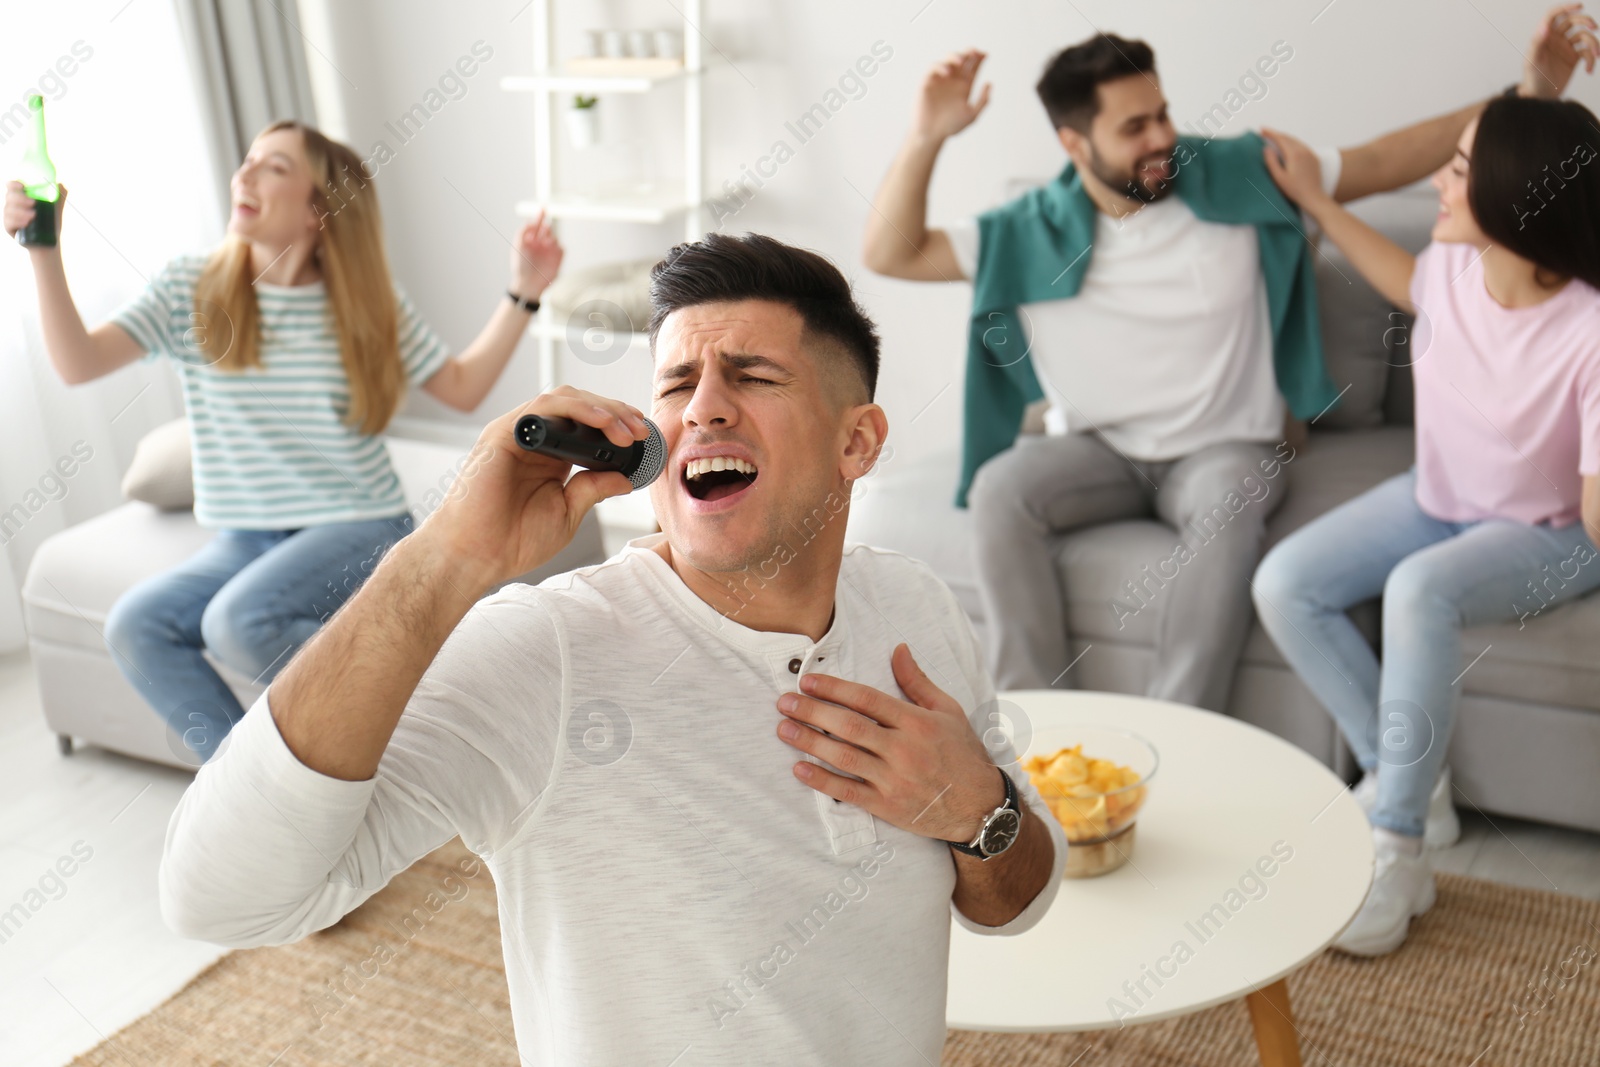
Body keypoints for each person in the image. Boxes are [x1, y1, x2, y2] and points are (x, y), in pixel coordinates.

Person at [155, 232, 1068, 1064]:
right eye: (675, 385)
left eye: (752, 375)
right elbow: (220, 899)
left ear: (856, 441)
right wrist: (444, 558)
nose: (703, 408)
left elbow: (1022, 898)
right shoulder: (548, 652)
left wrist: (975, 812)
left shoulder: (914, 606)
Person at [861, 30, 1541, 713]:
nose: (1162, 137)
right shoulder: (1029, 229)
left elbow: (1383, 161)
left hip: (1224, 451)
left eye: (1162, 113)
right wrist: (926, 136)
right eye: (1134, 126)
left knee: (1228, 504)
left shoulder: (1235, 172)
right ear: (1075, 144)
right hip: (1100, 453)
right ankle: (1043, 720)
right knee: (1000, 488)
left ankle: (1179, 725)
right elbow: (891, 253)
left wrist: (1525, 94)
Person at [3, 120, 563, 763]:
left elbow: (462, 387)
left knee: (238, 621)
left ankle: (429, 727)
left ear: (318, 209)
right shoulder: (191, 287)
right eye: (248, 161)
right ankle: (249, 788)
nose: (244, 173)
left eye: (273, 166)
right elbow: (77, 362)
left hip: (358, 523)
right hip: (246, 536)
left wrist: (525, 291)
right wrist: (42, 251)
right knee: (136, 625)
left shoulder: (365, 303)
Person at [1253, 35, 1600, 955]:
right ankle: (1412, 773)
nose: (1440, 188)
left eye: (1457, 172)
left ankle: (1397, 843)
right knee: (1286, 580)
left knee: (1419, 589)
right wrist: (1317, 199)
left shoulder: (1593, 330)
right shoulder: (1450, 268)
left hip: (1553, 530)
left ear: (1511, 200)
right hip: (1439, 493)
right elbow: (1394, 261)